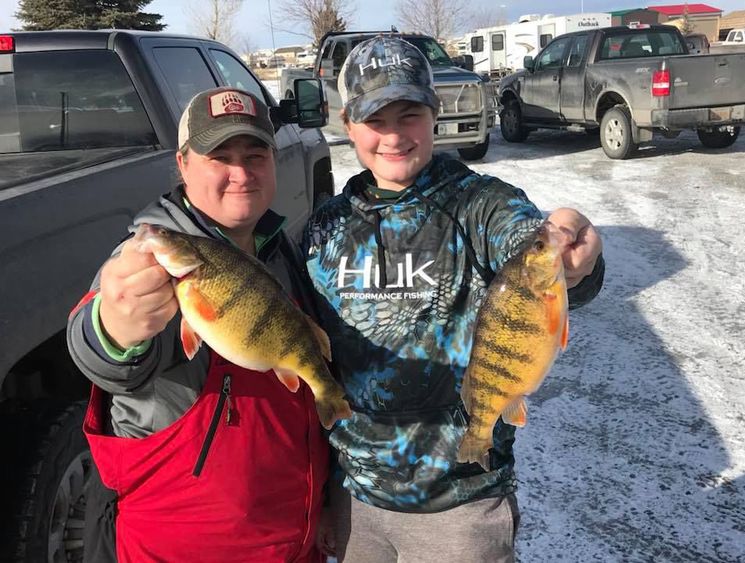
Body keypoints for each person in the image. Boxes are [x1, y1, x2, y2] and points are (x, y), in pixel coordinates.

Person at [302, 37, 605, 562]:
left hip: (462, 507)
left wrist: (575, 262)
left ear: (434, 116)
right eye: (376, 119)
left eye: (410, 114)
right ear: (348, 124)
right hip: (356, 503)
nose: (394, 136)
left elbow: (526, 243)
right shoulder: (325, 228)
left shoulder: (481, 204)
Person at [67, 87, 328, 563]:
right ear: (183, 165)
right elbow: (103, 348)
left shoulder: (279, 247)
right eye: (219, 156)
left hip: (289, 544)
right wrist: (112, 331)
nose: (241, 172)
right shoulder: (156, 259)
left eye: (255, 154)